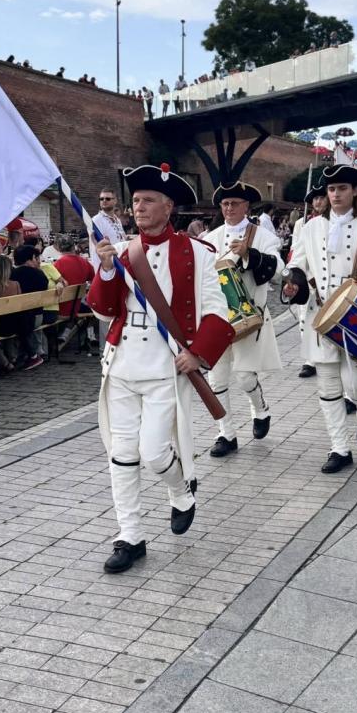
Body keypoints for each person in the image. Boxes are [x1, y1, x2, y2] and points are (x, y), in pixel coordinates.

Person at [86, 163, 233, 573]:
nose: (139, 207)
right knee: (121, 453)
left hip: (165, 369)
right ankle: (129, 535)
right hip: (122, 365)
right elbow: (102, 310)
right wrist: (107, 270)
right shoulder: (124, 252)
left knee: (154, 453)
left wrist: (199, 353)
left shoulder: (198, 253)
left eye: (148, 200)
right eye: (135, 201)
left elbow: (219, 313)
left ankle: (181, 490)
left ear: (169, 206)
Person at [283, 166, 357, 473]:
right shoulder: (310, 228)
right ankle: (339, 448)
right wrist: (294, 282)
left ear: (354, 191)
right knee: (328, 387)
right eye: (331, 189)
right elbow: (297, 265)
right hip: (322, 316)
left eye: (342, 188)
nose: (335, 194)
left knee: (355, 386)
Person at [203, 182, 284, 458]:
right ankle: (226, 433)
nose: (229, 208)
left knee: (245, 375)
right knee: (217, 378)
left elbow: (278, 270)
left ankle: (260, 409)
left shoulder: (261, 236)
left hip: (249, 317)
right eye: (225, 204)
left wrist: (251, 254)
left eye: (235, 203)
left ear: (247, 207)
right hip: (217, 318)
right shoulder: (210, 237)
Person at [291, 186, 328, 378]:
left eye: (322, 198)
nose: (318, 202)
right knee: (305, 321)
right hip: (307, 279)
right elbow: (297, 251)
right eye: (315, 199)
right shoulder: (302, 224)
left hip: (327, 280)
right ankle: (309, 361)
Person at [10, 244, 49, 369]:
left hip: (21, 320)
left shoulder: (13, 274)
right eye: (37, 258)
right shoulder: (40, 275)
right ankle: (32, 354)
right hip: (38, 316)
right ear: (32, 257)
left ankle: (14, 357)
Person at [90, 187, 127, 270]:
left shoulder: (117, 219)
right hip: (106, 266)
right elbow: (97, 245)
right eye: (101, 199)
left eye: (108, 198)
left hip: (120, 263)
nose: (104, 200)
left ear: (115, 201)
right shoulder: (96, 220)